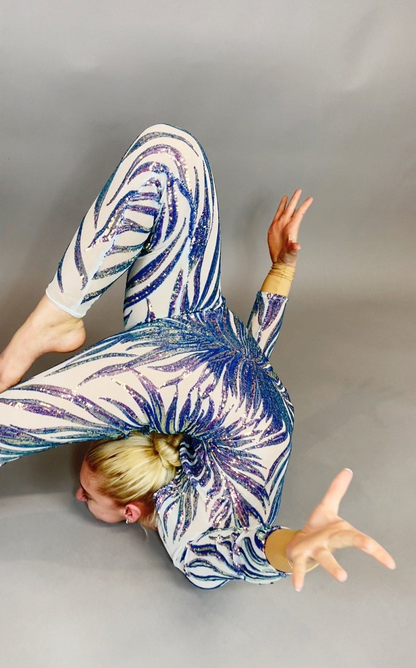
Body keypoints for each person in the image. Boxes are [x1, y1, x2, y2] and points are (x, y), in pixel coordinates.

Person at [0, 123, 396, 591]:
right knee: (172, 155)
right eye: (85, 493)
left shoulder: (181, 504)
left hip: (200, 353)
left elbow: (255, 367)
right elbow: (242, 550)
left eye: (85, 494)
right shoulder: (191, 531)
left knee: (171, 153)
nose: (76, 494)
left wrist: (292, 549)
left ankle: (59, 315)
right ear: (130, 512)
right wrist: (281, 268)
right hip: (201, 340)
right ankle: (55, 318)